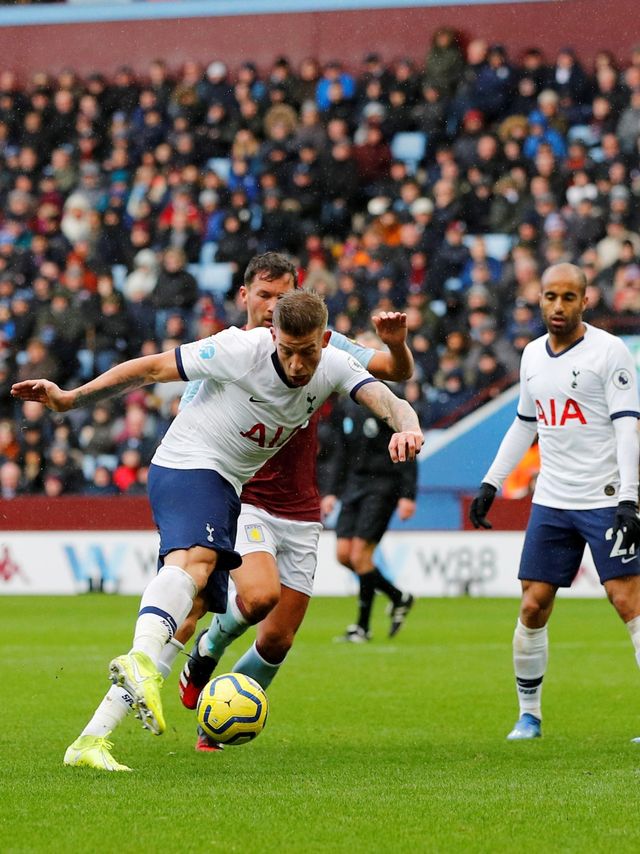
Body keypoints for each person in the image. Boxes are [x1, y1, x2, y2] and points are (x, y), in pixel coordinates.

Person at [12, 286, 422, 771]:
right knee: (196, 564)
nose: (296, 365)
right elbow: (150, 368)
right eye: (287, 352)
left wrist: (407, 426)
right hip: (190, 463)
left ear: (323, 339)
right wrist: (70, 399)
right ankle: (141, 659)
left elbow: (389, 397)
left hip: (228, 485)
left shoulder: (333, 362)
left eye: (307, 352)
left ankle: (90, 740)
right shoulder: (238, 349)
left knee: (193, 608)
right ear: (273, 337)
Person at [175, 253, 414, 751]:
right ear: (245, 296)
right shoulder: (224, 352)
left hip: (299, 506)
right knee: (256, 597)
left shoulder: (324, 344)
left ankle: (214, 724)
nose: (273, 306)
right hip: (240, 495)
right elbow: (190, 424)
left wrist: (397, 346)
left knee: (278, 638)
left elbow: (393, 373)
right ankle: (202, 652)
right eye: (265, 295)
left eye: (283, 296)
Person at [469, 262, 640, 740]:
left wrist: (629, 497)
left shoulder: (610, 352)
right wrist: (491, 483)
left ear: (585, 301)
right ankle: (529, 715)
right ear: (539, 299)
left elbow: (628, 425)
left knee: (628, 601)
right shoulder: (531, 356)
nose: (558, 306)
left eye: (568, 297)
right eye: (550, 297)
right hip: (553, 499)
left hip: (605, 496)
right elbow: (526, 422)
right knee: (532, 605)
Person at [321, 335, 417, 643]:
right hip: (355, 485)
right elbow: (340, 452)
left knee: (361, 556)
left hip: (383, 485)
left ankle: (362, 627)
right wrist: (332, 491)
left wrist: (407, 494)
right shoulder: (347, 401)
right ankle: (398, 596)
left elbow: (409, 446)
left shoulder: (391, 398)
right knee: (343, 555)